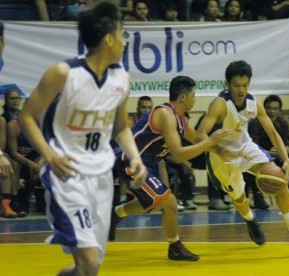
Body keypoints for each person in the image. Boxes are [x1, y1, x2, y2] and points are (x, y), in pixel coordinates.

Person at [19, 2, 147, 275]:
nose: (125, 42)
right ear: (109, 38)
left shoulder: (122, 78)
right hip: (67, 175)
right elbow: (26, 116)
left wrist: (135, 157)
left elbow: (121, 127)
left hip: (101, 178)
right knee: (88, 261)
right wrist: (50, 156)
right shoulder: (63, 74)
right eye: (123, 35)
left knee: (89, 268)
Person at [195, 60, 289, 247]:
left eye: (245, 85)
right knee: (238, 196)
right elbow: (199, 136)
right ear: (227, 84)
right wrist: (219, 148)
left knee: (277, 177)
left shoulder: (254, 103)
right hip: (221, 157)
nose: (241, 90)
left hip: (244, 147)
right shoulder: (220, 104)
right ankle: (250, 220)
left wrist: (285, 159)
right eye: (236, 85)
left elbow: (273, 133)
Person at [110, 76, 231, 261]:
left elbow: (196, 137)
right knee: (169, 202)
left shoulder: (180, 118)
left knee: (154, 203)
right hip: (130, 159)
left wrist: (220, 150)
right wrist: (210, 143)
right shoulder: (166, 114)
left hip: (148, 163)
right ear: (183, 97)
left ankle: (116, 213)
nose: (195, 98)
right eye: (193, 94)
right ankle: (174, 247)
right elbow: (178, 154)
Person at [247, 94, 289, 207]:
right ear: (264, 108)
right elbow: (253, 147)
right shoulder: (255, 123)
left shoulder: (283, 122)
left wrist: (283, 152)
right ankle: (258, 197)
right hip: (259, 156)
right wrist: (272, 153)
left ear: (279, 110)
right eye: (269, 108)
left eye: (275, 108)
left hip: (275, 155)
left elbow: (287, 144)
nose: (271, 111)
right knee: (253, 161)